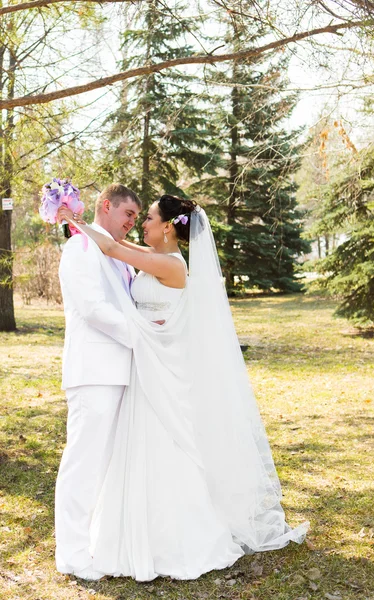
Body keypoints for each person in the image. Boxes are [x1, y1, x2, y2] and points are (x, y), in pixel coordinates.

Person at [58, 194, 308, 582]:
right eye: (134, 216)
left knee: (165, 445)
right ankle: (126, 536)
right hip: (143, 366)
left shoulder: (169, 265)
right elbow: (116, 244)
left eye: (148, 218)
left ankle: (172, 538)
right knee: (139, 446)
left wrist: (75, 218)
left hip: (159, 365)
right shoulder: (154, 255)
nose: (140, 225)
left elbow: (110, 245)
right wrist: (79, 223)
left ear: (169, 227)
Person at [55, 183, 141, 580]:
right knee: (83, 463)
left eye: (136, 219)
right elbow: (91, 307)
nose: (131, 224)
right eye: (128, 215)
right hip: (92, 372)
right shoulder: (80, 248)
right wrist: (141, 334)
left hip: (121, 372)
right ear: (106, 206)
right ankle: (71, 555)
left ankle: (95, 544)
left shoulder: (120, 258)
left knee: (106, 465)